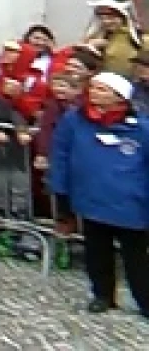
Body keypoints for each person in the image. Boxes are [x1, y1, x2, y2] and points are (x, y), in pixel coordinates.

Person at [48, 72, 148, 317]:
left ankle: (145, 300)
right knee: (96, 250)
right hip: (90, 197)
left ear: (119, 97)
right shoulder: (74, 121)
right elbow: (60, 156)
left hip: (131, 202)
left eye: (102, 89)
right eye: (93, 87)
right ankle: (102, 294)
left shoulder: (142, 128)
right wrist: (61, 195)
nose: (94, 92)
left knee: (136, 256)